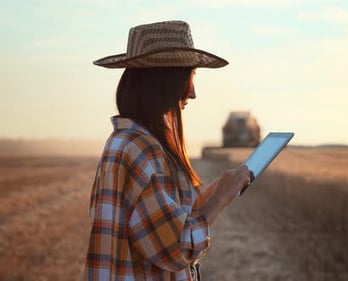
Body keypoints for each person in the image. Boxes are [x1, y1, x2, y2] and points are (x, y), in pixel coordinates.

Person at [84, 20, 252, 281]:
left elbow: (155, 226)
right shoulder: (141, 149)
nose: (193, 92)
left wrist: (211, 194)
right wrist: (220, 200)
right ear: (165, 80)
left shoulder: (125, 142)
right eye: (190, 76)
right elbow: (177, 246)